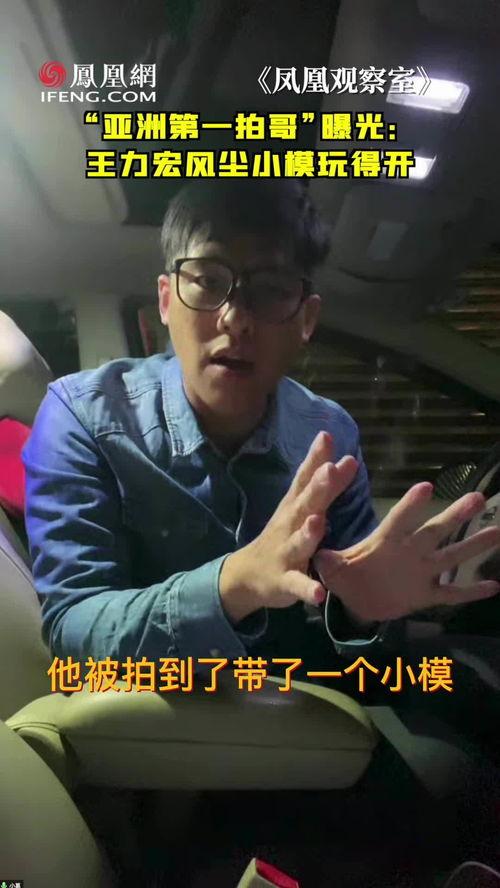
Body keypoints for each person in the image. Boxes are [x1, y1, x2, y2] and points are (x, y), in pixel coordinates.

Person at [22, 180, 500, 698]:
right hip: (153, 724)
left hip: (302, 709)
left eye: (269, 290)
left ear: (307, 320)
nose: (235, 319)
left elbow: (348, 628)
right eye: (208, 281)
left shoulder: (329, 433)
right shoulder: (83, 416)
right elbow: (74, 632)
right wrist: (237, 583)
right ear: (166, 300)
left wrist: (361, 613)